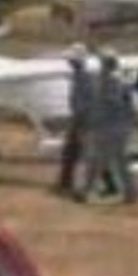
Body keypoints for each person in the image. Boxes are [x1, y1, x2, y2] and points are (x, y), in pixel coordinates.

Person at [80, 52, 138, 204]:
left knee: (96, 160)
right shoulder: (116, 81)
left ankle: (85, 192)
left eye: (103, 63)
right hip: (116, 127)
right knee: (120, 161)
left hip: (109, 127)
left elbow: (113, 102)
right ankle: (131, 194)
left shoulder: (110, 82)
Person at [55, 44, 91, 196]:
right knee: (70, 153)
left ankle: (75, 186)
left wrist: (80, 122)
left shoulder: (83, 77)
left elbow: (85, 102)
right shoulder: (79, 76)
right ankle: (65, 184)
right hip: (79, 119)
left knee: (78, 154)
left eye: (71, 60)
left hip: (82, 121)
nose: (68, 62)